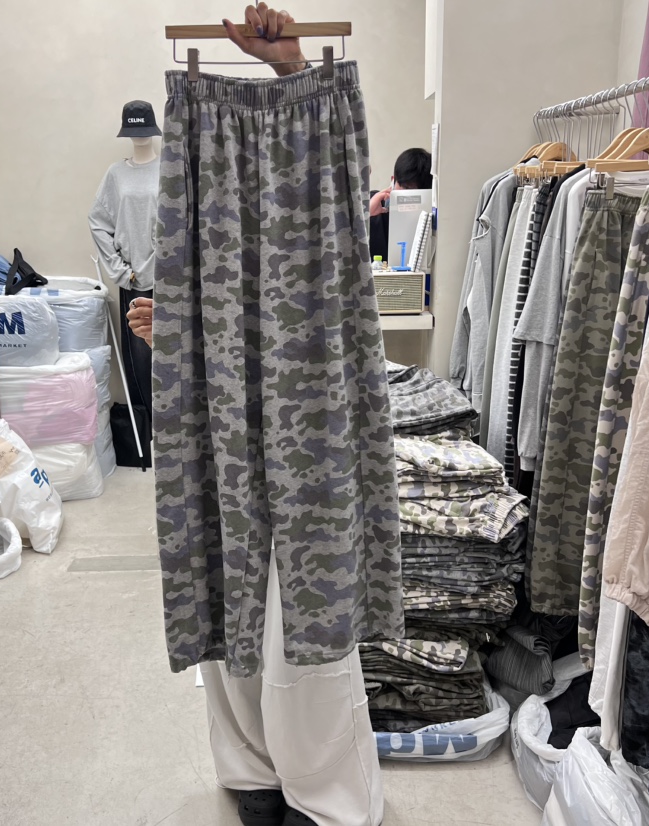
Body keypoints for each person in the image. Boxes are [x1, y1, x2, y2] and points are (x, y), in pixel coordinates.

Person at [128, 7, 392, 825]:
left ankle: (328, 789)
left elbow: (332, 204)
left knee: (307, 583)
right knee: (224, 548)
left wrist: (293, 70)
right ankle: (250, 767)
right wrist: (186, 333)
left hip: (310, 347)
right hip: (216, 327)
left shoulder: (321, 131)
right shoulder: (190, 138)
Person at [368, 148, 433, 262]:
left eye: (417, 193)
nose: (409, 197)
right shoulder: (371, 203)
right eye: (406, 188)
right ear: (393, 181)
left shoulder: (428, 216)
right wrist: (367, 213)